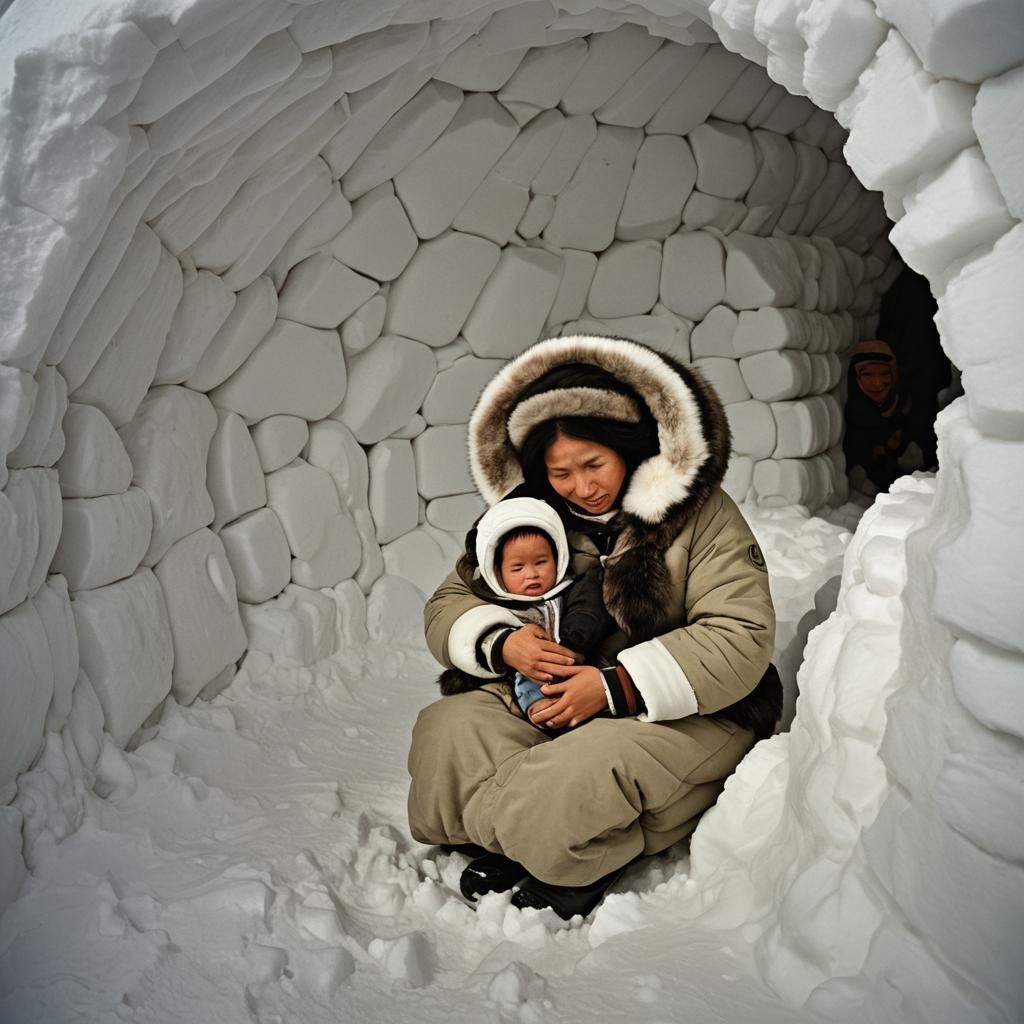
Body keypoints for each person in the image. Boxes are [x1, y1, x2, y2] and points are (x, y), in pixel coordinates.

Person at [407, 335, 780, 919]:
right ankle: (509, 835)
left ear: (628, 448)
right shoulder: (531, 520)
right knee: (450, 728)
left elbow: (738, 634)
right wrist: (506, 642)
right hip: (556, 691)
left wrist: (612, 687)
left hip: (687, 706)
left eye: (593, 464)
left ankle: (567, 859)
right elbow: (451, 599)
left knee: (581, 768)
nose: (582, 487)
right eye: (560, 473)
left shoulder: (702, 516)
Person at [436, 496, 614, 728]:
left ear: (558, 559)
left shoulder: (572, 589)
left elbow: (589, 611)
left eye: (541, 562)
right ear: (498, 572)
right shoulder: (497, 605)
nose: (532, 574)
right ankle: (537, 709)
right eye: (518, 567)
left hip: (582, 673)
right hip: (524, 680)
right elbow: (454, 619)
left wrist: (577, 639)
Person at [842, 338, 907, 492]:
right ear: (856, 377)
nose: (877, 383)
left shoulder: (905, 406)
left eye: (884, 374)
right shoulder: (854, 416)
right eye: (868, 375)